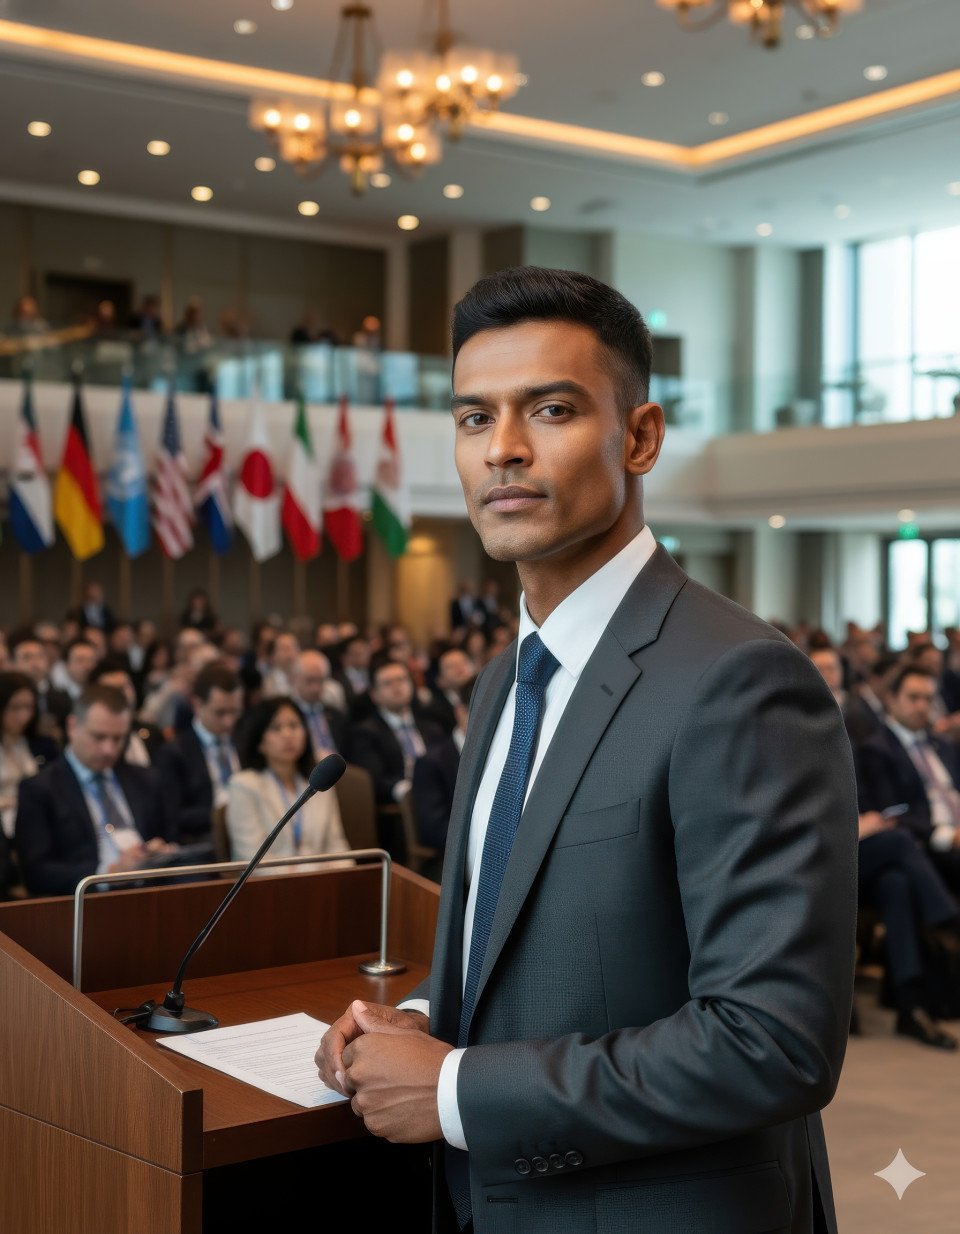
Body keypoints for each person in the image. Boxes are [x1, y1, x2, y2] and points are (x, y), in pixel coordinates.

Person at [316, 266, 859, 1234]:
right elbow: (545, 945)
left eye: (552, 409)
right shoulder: (505, 676)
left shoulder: (738, 678)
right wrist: (421, 1020)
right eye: (474, 418)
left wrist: (453, 1089)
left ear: (640, 435)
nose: (504, 451)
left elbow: (771, 1042)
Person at [14, 684, 177, 897]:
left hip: (150, 895)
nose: (109, 749)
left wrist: (160, 853)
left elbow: (171, 839)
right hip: (85, 903)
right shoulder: (40, 790)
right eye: (99, 737)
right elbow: (38, 873)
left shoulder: (146, 780)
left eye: (118, 739)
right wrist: (108, 873)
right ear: (72, 727)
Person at [856, 661, 960, 895]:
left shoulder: (942, 744)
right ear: (891, 699)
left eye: (929, 699)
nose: (923, 706)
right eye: (914, 698)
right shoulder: (877, 749)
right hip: (929, 840)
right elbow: (893, 813)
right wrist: (948, 835)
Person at [225, 696, 350, 869]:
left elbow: (337, 845)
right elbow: (252, 859)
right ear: (260, 742)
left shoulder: (319, 782)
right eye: (276, 728)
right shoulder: (243, 785)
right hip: (270, 889)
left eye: (294, 725)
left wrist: (345, 881)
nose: (288, 734)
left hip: (323, 886)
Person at [347, 657, 446, 864]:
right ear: (374, 695)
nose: (397, 687)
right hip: (399, 810)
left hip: (438, 801)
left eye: (401, 680)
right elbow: (375, 780)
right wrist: (407, 789)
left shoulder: (431, 726)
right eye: (387, 683)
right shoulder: (365, 732)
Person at [154, 661, 244, 846]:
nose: (228, 722)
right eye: (220, 713)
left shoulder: (243, 741)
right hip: (204, 841)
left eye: (234, 712)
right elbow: (173, 816)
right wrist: (224, 813)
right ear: (197, 704)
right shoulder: (174, 753)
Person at [0, 671, 60, 897]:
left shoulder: (41, 744)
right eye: (15, 708)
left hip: (35, 819)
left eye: (29, 707)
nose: (23, 715)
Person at [410, 679, 473, 882]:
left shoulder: (506, 755)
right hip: (455, 863)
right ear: (461, 712)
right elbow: (435, 830)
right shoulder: (431, 762)